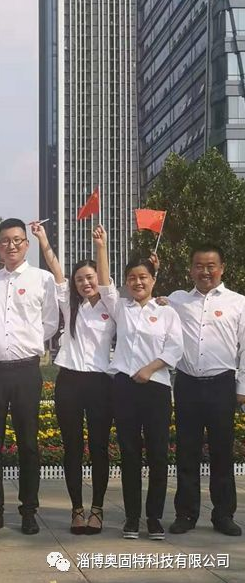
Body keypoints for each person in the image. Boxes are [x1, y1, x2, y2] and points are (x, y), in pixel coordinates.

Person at [94, 225, 183, 541]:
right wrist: (101, 246)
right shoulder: (121, 308)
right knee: (129, 454)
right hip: (124, 388)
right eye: (132, 278)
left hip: (156, 387)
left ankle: (154, 518)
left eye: (143, 277)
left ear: (153, 280)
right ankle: (132, 518)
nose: (137, 282)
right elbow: (104, 284)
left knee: (158, 455)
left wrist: (150, 369)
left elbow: (175, 348)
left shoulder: (167, 312)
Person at [0, 218, 59, 535]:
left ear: (26, 244)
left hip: (26, 370)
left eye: (16, 240)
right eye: (4, 241)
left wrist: (30, 341)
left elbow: (50, 322)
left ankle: (28, 511)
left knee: (28, 444)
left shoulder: (42, 280)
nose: (10, 246)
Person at [33, 222, 114, 535]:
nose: (85, 283)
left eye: (89, 277)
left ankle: (97, 509)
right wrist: (43, 239)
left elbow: (106, 281)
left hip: (100, 384)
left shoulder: (111, 304)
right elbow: (55, 268)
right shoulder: (70, 304)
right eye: (80, 279)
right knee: (73, 448)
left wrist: (100, 246)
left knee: (99, 447)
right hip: (69, 382)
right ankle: (77, 510)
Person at [167, 245, 245, 537]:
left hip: (222, 385)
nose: (205, 271)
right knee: (186, 451)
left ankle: (223, 514)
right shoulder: (177, 300)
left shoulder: (238, 303)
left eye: (211, 266)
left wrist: (242, 387)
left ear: (222, 268)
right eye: (199, 266)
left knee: (222, 452)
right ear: (191, 269)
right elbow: (151, 305)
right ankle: (186, 513)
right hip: (187, 383)